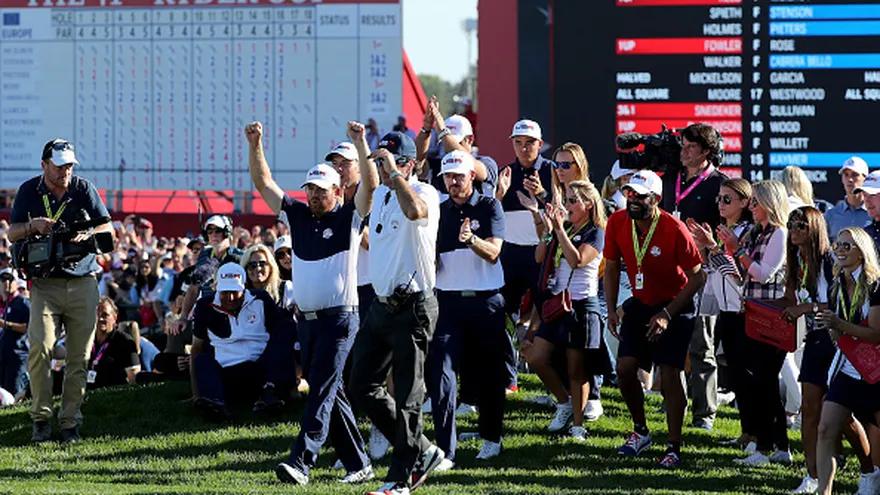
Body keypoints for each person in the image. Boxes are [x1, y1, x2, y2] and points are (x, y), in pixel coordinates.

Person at [246, 120, 377, 485]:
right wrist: (255, 144)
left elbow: (370, 185)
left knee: (320, 388)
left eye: (322, 190)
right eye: (311, 190)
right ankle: (359, 464)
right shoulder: (298, 215)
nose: (315, 196)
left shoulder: (351, 216)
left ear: (338, 190)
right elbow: (263, 182)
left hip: (340, 319)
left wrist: (361, 143)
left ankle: (301, 462)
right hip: (307, 320)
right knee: (331, 392)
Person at [347, 131, 445, 495]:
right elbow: (370, 187)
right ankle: (422, 450)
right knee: (361, 384)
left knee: (408, 395)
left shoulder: (424, 192)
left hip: (413, 305)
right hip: (382, 305)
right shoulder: (383, 195)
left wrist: (397, 173)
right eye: (382, 163)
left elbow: (415, 211)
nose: (386, 170)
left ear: (409, 164)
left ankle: (402, 477)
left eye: (393, 163)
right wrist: (364, 148)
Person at [8, 139, 113, 443]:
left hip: (83, 281)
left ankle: (70, 422)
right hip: (45, 283)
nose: (66, 171)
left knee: (79, 356)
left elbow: (108, 229)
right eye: (60, 166)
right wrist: (34, 226)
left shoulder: (83, 188)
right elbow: (12, 233)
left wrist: (89, 233)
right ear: (44, 165)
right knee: (40, 349)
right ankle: (41, 419)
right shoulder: (29, 190)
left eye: (69, 165)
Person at [603, 170, 705, 468]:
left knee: (669, 375)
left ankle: (674, 447)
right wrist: (611, 309)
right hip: (641, 302)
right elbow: (611, 267)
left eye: (639, 195)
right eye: (629, 194)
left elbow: (698, 278)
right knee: (624, 367)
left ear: (656, 199)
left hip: (675, 305)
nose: (632, 199)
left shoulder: (674, 228)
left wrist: (667, 313)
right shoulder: (617, 221)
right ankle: (641, 431)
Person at [779, 209, 874, 494]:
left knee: (843, 416)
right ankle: (813, 476)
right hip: (818, 337)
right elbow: (797, 299)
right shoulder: (797, 258)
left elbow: (833, 306)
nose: (794, 230)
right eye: (791, 224)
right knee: (811, 408)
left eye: (801, 225)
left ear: (815, 229)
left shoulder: (830, 259)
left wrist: (804, 308)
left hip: (841, 341)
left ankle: (869, 471)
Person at [429, 150, 507, 468]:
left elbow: (494, 253)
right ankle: (445, 450)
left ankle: (491, 438)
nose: (453, 181)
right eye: (448, 176)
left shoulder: (490, 206)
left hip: (486, 302)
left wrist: (471, 240)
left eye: (458, 176)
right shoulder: (439, 211)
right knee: (442, 374)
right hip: (447, 303)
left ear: (472, 176)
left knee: (489, 374)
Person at [521, 180, 607, 440]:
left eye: (572, 201)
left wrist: (559, 230)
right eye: (566, 200)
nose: (567, 206)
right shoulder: (566, 227)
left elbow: (577, 260)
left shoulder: (596, 232)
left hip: (580, 305)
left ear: (588, 205)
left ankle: (578, 426)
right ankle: (564, 402)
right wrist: (548, 229)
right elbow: (539, 257)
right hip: (557, 304)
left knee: (576, 369)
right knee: (536, 357)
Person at [716, 180, 791, 466]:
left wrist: (736, 250)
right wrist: (721, 250)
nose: (752, 207)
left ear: (770, 204)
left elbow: (763, 273)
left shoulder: (779, 233)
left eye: (756, 202)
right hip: (754, 314)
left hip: (771, 317)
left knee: (764, 382)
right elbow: (744, 272)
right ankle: (777, 446)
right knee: (763, 382)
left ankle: (767, 447)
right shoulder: (758, 232)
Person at [661, 123, 728, 431]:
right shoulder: (670, 178)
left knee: (701, 345)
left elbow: (728, 230)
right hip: (667, 270)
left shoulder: (720, 185)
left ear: (706, 152)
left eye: (691, 147)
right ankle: (673, 402)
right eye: (683, 145)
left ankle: (704, 414)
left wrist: (708, 243)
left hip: (703, 272)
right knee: (669, 342)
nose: (684, 152)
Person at [687, 178, 754, 447]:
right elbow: (715, 271)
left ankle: (759, 436)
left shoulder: (748, 232)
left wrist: (713, 247)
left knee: (748, 375)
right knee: (737, 373)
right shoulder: (728, 230)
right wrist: (704, 249)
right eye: (719, 199)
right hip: (725, 308)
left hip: (744, 310)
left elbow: (738, 274)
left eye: (728, 199)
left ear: (745, 202)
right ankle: (748, 433)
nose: (721, 204)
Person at [815, 227, 880, 495]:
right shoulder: (837, 284)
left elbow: (876, 334)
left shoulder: (876, 285)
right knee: (825, 428)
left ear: (862, 252)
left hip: (877, 370)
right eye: (837, 245)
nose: (840, 251)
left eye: (846, 246)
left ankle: (871, 475)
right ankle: (824, 491)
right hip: (850, 366)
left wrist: (839, 324)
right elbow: (839, 332)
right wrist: (832, 327)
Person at [190, 263, 293, 420]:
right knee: (202, 359)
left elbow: (280, 337)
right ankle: (215, 402)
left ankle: (270, 392)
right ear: (216, 288)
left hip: (261, 368)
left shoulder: (261, 299)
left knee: (286, 327)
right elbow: (196, 348)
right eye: (225, 292)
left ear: (244, 288)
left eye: (234, 292)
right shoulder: (205, 305)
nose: (230, 298)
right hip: (226, 372)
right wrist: (196, 394)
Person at [496, 119, 554, 330]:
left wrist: (542, 193)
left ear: (540, 144)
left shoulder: (552, 170)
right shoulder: (505, 173)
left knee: (548, 313)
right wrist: (499, 195)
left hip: (543, 252)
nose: (523, 148)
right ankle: (511, 348)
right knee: (502, 312)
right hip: (510, 253)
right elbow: (492, 214)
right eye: (518, 142)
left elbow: (564, 210)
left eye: (529, 142)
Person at [416, 97, 498, 197]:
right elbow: (417, 163)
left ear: (470, 139)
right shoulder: (439, 165)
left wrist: (443, 133)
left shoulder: (487, 163)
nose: (448, 148)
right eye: (444, 143)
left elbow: (468, 163)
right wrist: (426, 128)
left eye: (455, 142)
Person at [88, 297, 141, 389]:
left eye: (105, 315)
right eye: (96, 315)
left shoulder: (125, 341)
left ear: (114, 318)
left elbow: (134, 380)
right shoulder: (86, 340)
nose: (100, 319)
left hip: (114, 395)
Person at [824, 156, 870, 243]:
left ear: (865, 179)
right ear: (842, 179)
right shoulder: (830, 216)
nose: (850, 179)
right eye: (846, 175)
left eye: (855, 175)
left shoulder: (875, 214)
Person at [0, 268, 30, 396]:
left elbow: (29, 327)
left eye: (10, 279)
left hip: (17, 356)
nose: (6, 283)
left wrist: (6, 324)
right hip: (3, 355)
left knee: (14, 395)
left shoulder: (23, 303)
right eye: (3, 280)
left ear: (16, 283)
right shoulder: (4, 303)